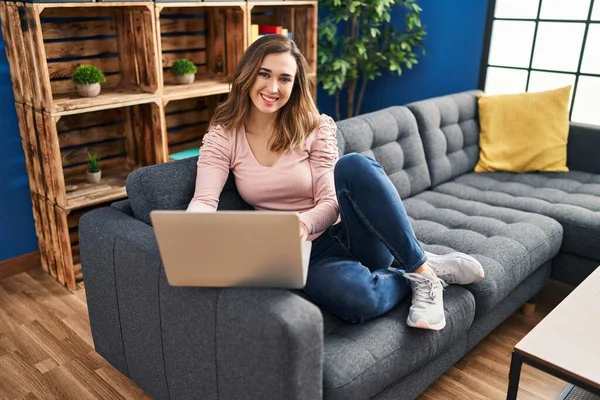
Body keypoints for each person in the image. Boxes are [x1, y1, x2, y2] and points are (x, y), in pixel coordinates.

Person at [187, 34, 484, 330]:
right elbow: (204, 200)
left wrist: (302, 224)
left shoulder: (316, 126)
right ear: (247, 74)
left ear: (295, 84)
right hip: (304, 256)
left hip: (351, 233)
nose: (273, 88)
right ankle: (421, 268)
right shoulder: (224, 135)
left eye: (285, 79)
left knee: (354, 165)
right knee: (359, 301)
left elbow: (330, 201)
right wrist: (192, 234)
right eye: (264, 74)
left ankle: (423, 272)